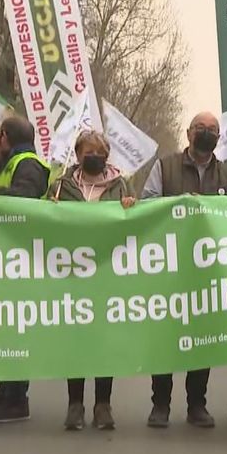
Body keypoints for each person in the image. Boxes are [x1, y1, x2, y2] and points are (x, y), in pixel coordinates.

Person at [137, 112, 227, 429]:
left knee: (202, 335)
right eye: (200, 129)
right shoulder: (165, 166)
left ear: (219, 137)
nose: (206, 134)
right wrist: (182, 204)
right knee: (166, 336)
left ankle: (197, 404)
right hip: (169, 262)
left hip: (207, 266)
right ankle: (161, 404)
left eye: (212, 130)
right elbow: (148, 202)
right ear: (188, 133)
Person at [48, 131, 137, 431]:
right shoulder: (60, 186)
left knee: (103, 341)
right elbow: (40, 218)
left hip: (108, 272)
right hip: (72, 272)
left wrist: (130, 207)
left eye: (99, 152)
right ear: (77, 154)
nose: (94, 157)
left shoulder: (122, 184)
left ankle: (103, 404)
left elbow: (135, 221)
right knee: (76, 340)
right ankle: (75, 405)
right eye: (88, 152)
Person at [0, 115, 50, 424]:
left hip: (21, 258)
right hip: (6, 257)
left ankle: (18, 400)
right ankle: (6, 391)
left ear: (6, 138)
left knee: (15, 331)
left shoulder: (27, 164)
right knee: (4, 330)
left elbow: (25, 199)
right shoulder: (12, 163)